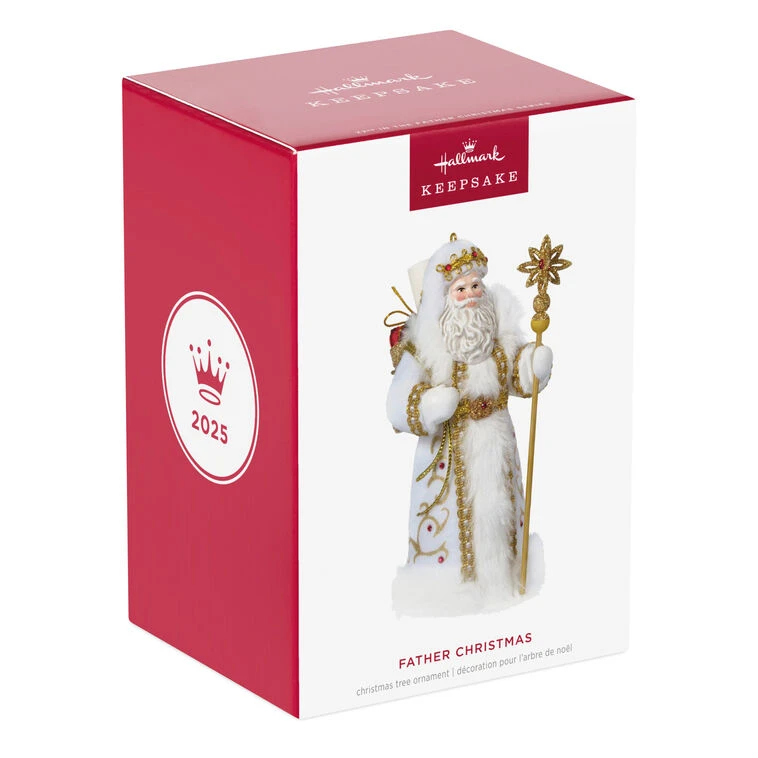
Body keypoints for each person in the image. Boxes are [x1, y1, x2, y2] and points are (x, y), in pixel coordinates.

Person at [387, 234, 552, 616]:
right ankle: (450, 593)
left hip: (498, 449)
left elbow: (516, 377)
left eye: (476, 285)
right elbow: (396, 404)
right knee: (454, 535)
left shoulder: (499, 336)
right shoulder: (425, 348)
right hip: (449, 459)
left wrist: (533, 365)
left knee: (501, 520)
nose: (471, 295)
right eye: (460, 288)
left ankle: (506, 582)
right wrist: (428, 405)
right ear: (444, 297)